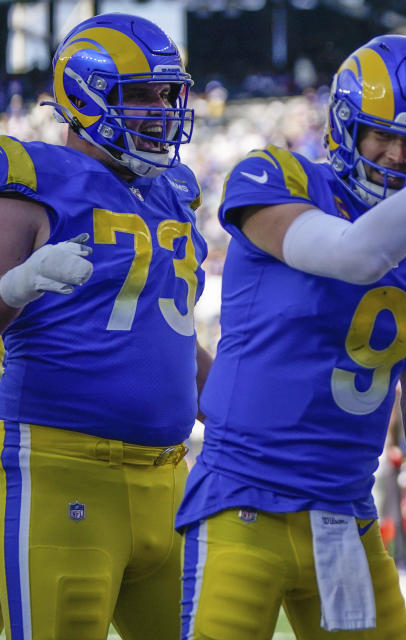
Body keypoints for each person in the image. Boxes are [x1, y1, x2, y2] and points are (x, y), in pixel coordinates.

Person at [175, 35, 406, 638]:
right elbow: (357, 253)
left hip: (344, 515)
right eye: (381, 134)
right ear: (344, 126)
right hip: (242, 502)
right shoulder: (277, 176)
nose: (395, 155)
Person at [0, 13, 209, 640]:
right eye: (138, 94)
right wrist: (17, 285)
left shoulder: (173, 191)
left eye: (167, 93)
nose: (159, 109)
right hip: (62, 468)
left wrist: (247, 414)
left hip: (172, 479)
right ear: (85, 96)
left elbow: (170, 339)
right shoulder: (32, 176)